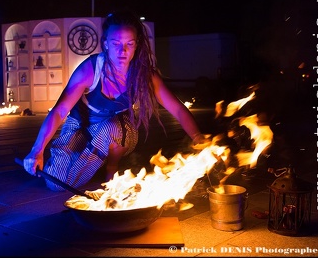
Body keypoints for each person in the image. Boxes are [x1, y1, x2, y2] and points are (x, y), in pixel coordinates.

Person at [23, 10, 206, 191]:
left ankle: (111, 167)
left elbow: (177, 109)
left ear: (136, 45)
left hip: (118, 132)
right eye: (116, 43)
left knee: (110, 128)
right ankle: (93, 162)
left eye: (130, 44)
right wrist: (37, 150)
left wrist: (199, 138)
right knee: (55, 182)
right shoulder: (91, 69)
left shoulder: (145, 75)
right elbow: (60, 111)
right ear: (106, 44)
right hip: (81, 126)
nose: (123, 50)